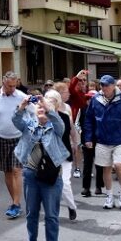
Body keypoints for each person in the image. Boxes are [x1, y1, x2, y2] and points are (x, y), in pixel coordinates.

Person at [13, 94, 69, 241]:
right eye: (39, 107)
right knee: (32, 212)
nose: (41, 109)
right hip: (31, 174)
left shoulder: (56, 127)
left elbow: (57, 120)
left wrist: (45, 104)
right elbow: (16, 120)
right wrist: (22, 106)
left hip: (51, 176)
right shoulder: (28, 126)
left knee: (51, 214)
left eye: (44, 108)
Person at [82, 75, 121, 210]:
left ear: (113, 86)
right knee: (106, 168)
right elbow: (89, 120)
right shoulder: (96, 99)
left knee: (118, 164)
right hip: (102, 140)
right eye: (102, 85)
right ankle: (109, 196)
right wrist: (88, 138)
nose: (104, 87)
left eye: (107, 85)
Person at [0, 71, 29, 219]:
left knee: (17, 170)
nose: (12, 89)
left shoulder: (22, 97)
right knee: (8, 172)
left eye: (14, 85)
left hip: (19, 138)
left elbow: (33, 115)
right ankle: (15, 202)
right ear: (3, 82)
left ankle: (16, 205)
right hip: (2, 138)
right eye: (10, 86)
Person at [44, 89, 77, 222]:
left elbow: (73, 132)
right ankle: (51, 214)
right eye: (47, 100)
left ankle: (71, 206)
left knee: (64, 183)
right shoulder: (41, 116)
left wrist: (76, 144)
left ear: (58, 103)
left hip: (64, 155)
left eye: (52, 101)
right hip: (48, 157)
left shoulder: (64, 116)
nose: (49, 103)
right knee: (48, 185)